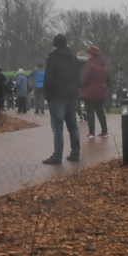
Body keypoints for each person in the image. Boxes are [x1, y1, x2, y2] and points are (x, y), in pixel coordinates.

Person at [42, 34, 81, 164]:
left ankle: (57, 156)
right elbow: (78, 78)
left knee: (58, 127)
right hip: (72, 95)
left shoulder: (52, 59)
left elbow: (48, 79)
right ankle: (75, 153)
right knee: (73, 126)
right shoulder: (74, 59)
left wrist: (47, 95)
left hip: (57, 96)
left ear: (55, 44)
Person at [79, 45, 109, 139]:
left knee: (90, 112)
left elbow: (84, 79)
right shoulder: (104, 65)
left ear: (92, 54)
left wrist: (80, 85)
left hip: (90, 93)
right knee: (100, 111)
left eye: (88, 53)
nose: (87, 55)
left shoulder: (90, 65)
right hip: (100, 92)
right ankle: (104, 131)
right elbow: (107, 79)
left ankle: (92, 132)